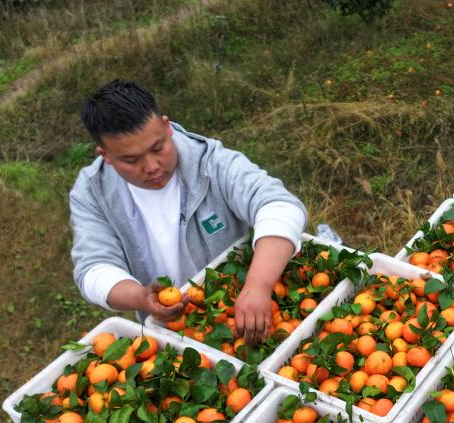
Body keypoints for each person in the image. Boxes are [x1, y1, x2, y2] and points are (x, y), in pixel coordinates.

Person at [69, 79, 306, 344]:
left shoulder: (211, 163)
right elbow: (93, 268)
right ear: (105, 155)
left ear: (167, 126)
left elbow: (280, 206)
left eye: (158, 148)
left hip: (239, 309)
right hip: (172, 330)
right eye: (131, 160)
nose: (152, 166)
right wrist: (140, 298)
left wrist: (258, 285)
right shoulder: (93, 192)